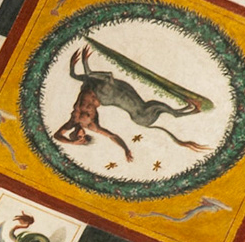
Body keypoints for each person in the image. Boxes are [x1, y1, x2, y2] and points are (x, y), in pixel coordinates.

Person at [54, 45, 207, 161]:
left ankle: (84, 67)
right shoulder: (90, 126)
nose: (79, 135)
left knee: (76, 75)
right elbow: (112, 136)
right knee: (107, 77)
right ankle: (192, 109)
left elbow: (57, 135)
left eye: (77, 137)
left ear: (72, 135)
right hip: (100, 95)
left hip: (89, 87)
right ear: (85, 135)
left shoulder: (71, 122)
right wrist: (125, 149)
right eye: (81, 138)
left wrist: (70, 143)